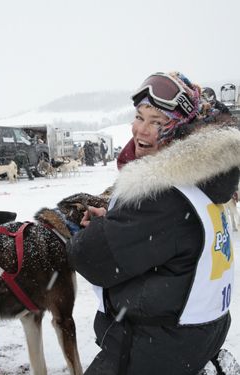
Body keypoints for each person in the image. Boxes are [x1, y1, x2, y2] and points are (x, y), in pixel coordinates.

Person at [66, 72, 240, 375]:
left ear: (179, 131)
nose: (140, 130)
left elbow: (92, 258)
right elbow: (171, 239)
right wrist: (118, 221)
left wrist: (91, 231)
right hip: (200, 334)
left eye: (157, 122)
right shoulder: (205, 178)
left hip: (152, 346)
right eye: (138, 116)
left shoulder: (161, 194)